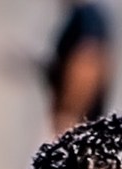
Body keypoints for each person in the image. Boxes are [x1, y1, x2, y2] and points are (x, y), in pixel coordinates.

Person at [42, 2, 114, 137]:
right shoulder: (83, 17)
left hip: (78, 121)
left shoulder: (86, 16)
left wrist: (69, 113)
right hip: (79, 121)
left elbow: (87, 64)